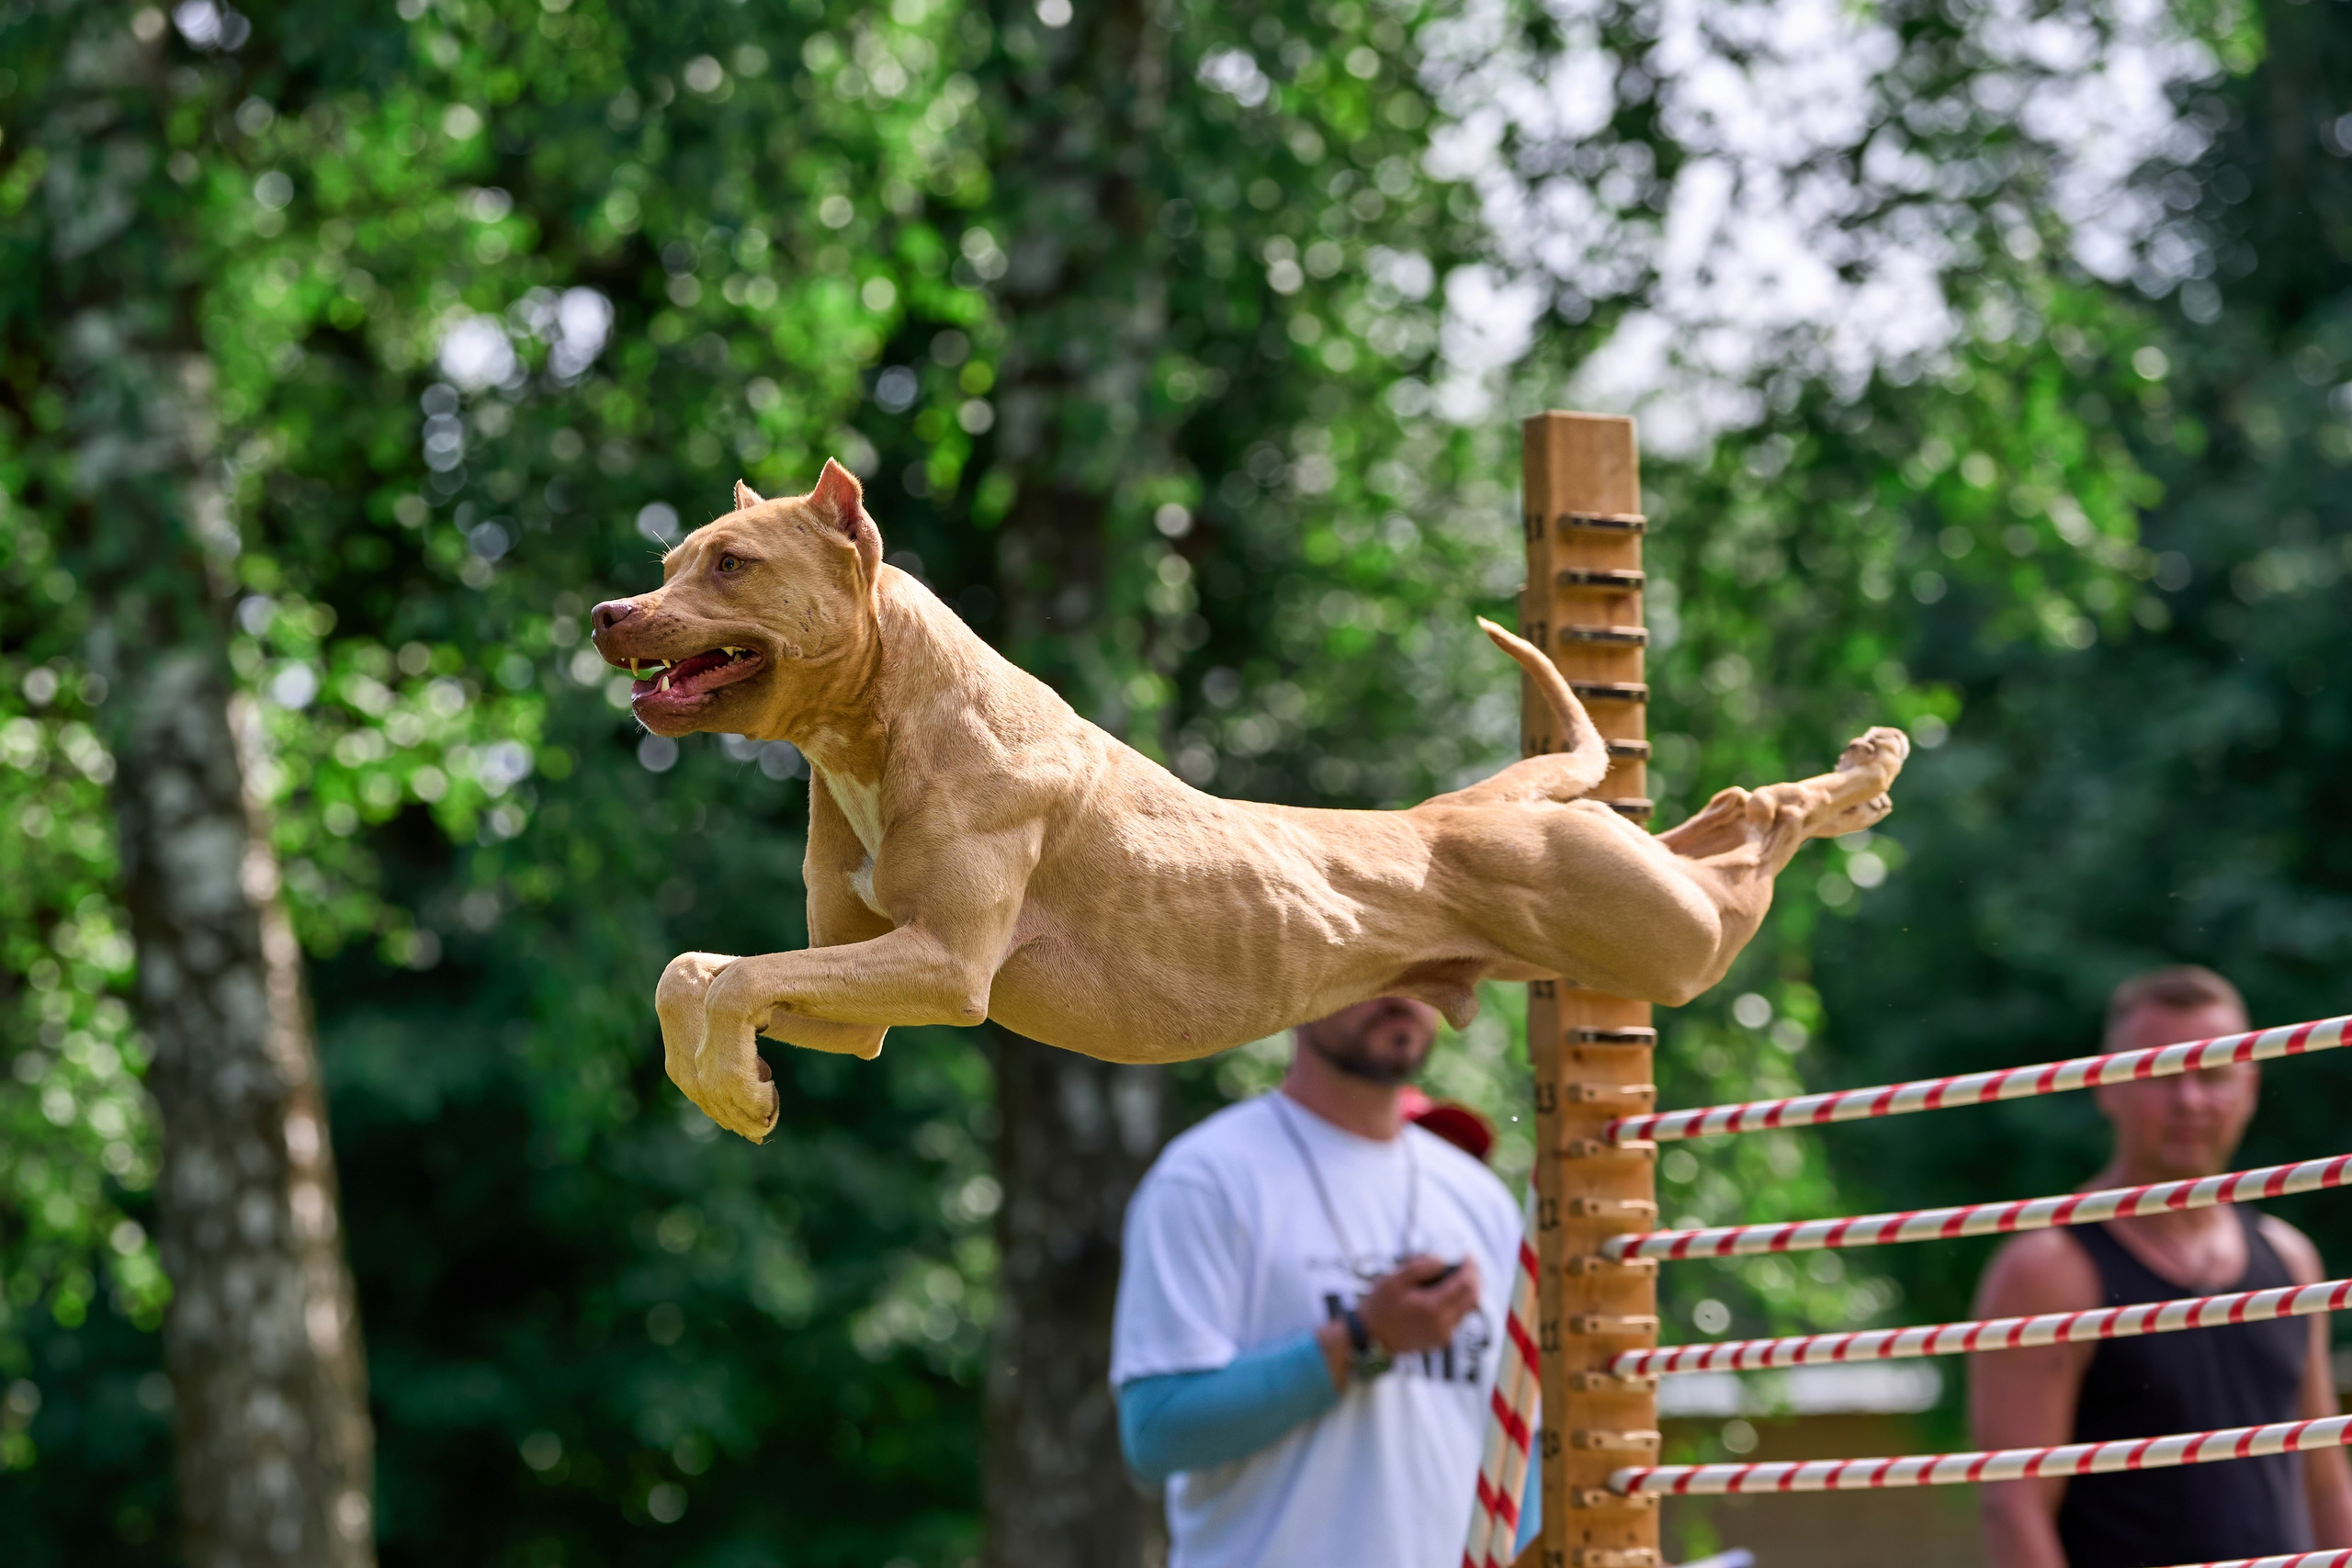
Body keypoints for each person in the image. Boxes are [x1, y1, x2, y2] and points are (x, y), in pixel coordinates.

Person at [1110, 997, 1537, 1567]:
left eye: (1421, 967)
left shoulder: (1480, 1200)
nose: (1403, 992)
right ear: (1304, 979)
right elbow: (1156, 1433)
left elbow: (1521, 1446)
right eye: (1375, 961)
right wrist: (1363, 1338)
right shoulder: (1207, 1177)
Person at [1972, 966, 2352, 1566]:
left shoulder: (2292, 1259)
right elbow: (2014, 1506)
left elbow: (2326, 1478)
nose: (2190, 1100)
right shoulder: (2048, 1270)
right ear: (2106, 1086)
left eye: (2214, 1074)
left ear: (2250, 1086)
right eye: (2162, 1074)